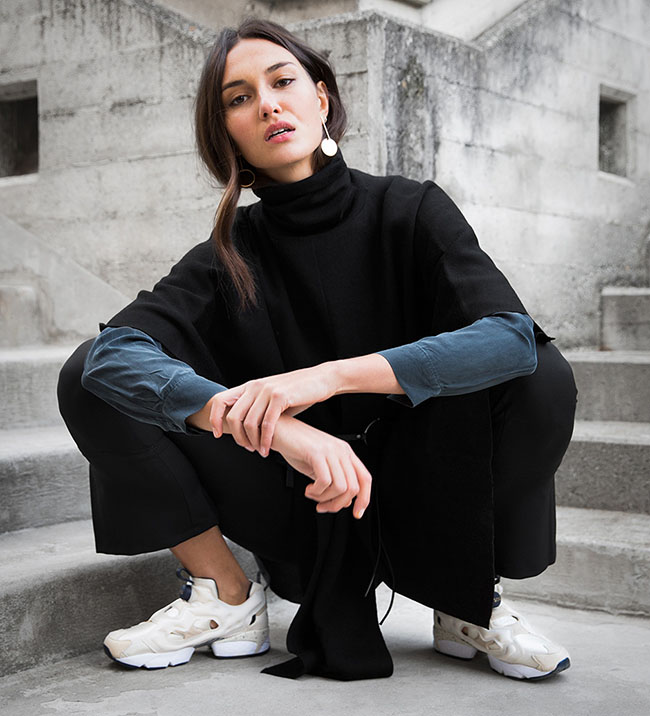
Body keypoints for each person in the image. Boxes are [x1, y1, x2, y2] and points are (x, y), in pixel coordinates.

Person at [57, 17, 577, 682]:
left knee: (542, 374)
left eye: (282, 82)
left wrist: (324, 380)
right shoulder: (225, 256)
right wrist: (284, 433)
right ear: (227, 133)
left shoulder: (411, 210)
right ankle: (226, 595)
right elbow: (112, 358)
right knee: (89, 374)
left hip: (425, 490)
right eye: (239, 98)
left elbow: (508, 338)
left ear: (322, 98)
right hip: (294, 500)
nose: (267, 104)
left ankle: (468, 600)